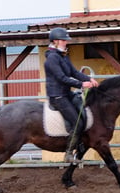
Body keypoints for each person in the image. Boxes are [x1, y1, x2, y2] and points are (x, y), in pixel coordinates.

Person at [44, 27, 99, 163]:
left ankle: (80, 143)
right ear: (55, 41)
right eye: (63, 40)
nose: (66, 42)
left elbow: (74, 73)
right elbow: (61, 78)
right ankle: (68, 154)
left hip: (66, 93)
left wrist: (88, 79)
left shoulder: (63, 56)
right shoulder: (52, 59)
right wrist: (81, 85)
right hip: (57, 96)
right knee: (77, 123)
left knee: (84, 111)